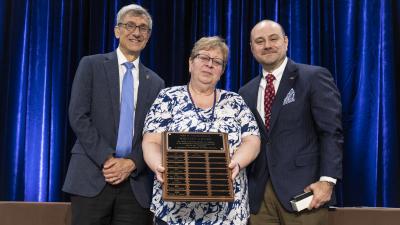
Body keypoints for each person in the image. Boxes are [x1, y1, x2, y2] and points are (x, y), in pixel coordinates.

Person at [63, 4, 165, 225]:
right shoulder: (91, 65)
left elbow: (156, 133)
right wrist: (108, 160)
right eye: (130, 25)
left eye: (143, 28)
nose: (136, 32)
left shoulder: (156, 83)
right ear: (117, 30)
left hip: (135, 185)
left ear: (148, 36)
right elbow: (78, 116)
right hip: (92, 176)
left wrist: (131, 163)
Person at [142, 36, 260, 225]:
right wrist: (158, 165)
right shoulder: (167, 97)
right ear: (191, 63)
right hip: (174, 213)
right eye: (203, 58)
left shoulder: (235, 101)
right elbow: (151, 141)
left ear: (221, 70)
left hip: (228, 214)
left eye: (217, 61)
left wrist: (236, 164)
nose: (209, 65)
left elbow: (252, 141)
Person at [239, 20, 343, 225]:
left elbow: (331, 132)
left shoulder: (313, 77)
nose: (267, 45)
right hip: (259, 200)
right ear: (252, 49)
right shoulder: (246, 92)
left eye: (273, 38)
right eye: (259, 41)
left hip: (305, 193)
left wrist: (327, 181)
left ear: (286, 42)